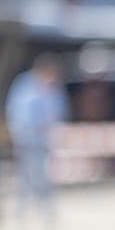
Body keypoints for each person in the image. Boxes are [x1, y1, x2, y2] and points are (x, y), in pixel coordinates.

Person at [5, 53, 69, 217]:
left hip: (44, 140)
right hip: (26, 139)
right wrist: (17, 133)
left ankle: (46, 212)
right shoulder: (25, 86)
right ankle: (22, 212)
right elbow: (17, 111)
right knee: (24, 179)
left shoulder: (53, 87)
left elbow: (59, 111)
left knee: (44, 178)